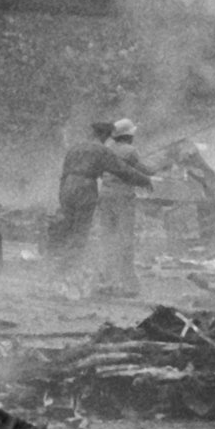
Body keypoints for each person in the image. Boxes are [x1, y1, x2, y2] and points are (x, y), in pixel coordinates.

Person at [53, 120, 151, 283]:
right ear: (105, 135)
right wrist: (144, 180)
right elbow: (122, 170)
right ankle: (69, 274)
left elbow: (63, 174)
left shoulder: (75, 148)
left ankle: (57, 270)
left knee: (68, 229)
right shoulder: (101, 150)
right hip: (85, 187)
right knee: (80, 232)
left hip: (67, 186)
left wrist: (62, 196)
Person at [93, 118, 157, 297]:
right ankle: (128, 284)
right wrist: (161, 165)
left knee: (107, 238)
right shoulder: (130, 151)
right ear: (129, 135)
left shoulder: (107, 148)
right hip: (123, 198)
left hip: (105, 196)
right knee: (125, 239)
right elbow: (146, 170)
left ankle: (106, 280)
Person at [174, 142, 215, 248]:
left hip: (210, 204)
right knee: (207, 179)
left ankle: (188, 158)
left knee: (208, 179)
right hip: (210, 204)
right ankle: (189, 159)